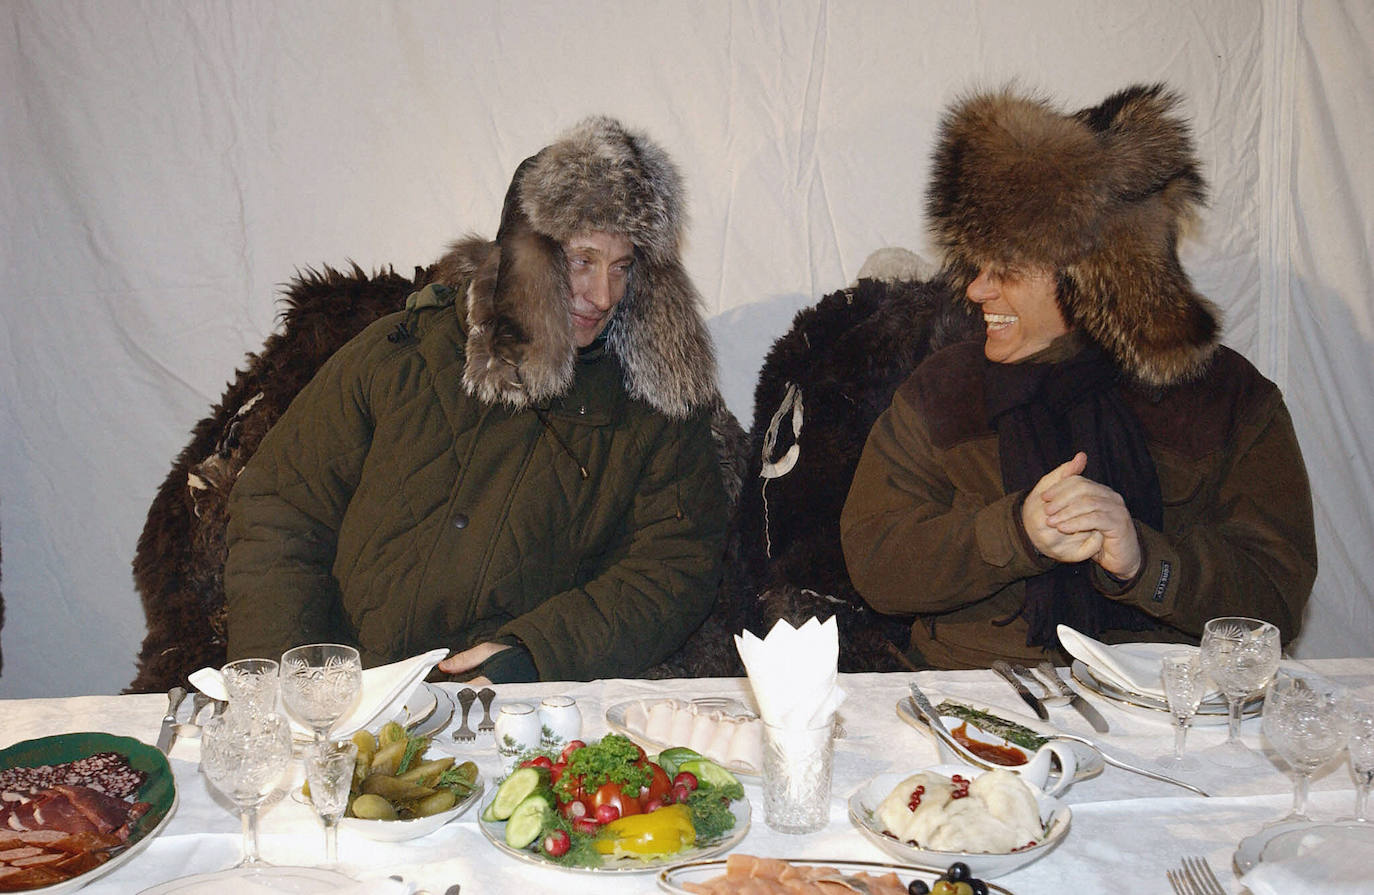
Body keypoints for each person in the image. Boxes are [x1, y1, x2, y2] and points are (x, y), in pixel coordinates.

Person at [224, 116, 731, 683]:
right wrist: (288, 681)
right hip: (350, 692)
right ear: (527, 253)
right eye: (582, 260)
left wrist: (537, 653)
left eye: (622, 265)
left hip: (516, 713)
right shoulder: (402, 353)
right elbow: (280, 510)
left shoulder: (654, 403)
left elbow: (675, 565)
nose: (603, 294)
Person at [840, 84, 1317, 670]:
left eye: (1007, 268)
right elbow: (877, 562)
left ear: (1092, 273)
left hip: (1166, 709)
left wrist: (1146, 562)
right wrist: (1015, 534)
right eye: (978, 264)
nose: (976, 289)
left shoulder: (1226, 398)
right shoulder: (944, 389)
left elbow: (1276, 600)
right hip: (973, 703)